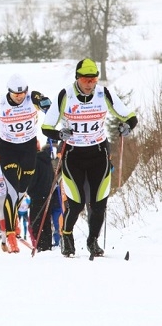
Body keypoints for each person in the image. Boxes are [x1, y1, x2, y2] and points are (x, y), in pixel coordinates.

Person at [41, 58, 138, 257]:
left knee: (99, 203)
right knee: (76, 204)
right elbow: (46, 127)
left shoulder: (104, 94)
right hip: (73, 155)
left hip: (98, 153)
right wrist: (60, 134)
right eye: (86, 79)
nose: (90, 83)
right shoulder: (66, 95)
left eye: (93, 79)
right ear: (77, 78)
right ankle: (66, 236)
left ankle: (92, 240)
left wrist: (127, 126)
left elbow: (130, 117)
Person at [0, 74, 51, 253]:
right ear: (9, 92)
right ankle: (11, 234)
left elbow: (46, 104)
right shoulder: (0, 103)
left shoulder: (32, 97)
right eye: (16, 94)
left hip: (29, 149)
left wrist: (47, 105)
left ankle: (12, 228)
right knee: (12, 190)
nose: (20, 97)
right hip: (8, 149)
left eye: (22, 93)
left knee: (22, 191)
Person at [27, 144, 58, 252]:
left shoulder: (34, 161)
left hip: (37, 195)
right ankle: (47, 244)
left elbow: (32, 179)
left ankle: (42, 245)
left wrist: (29, 190)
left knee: (36, 223)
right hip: (48, 195)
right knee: (46, 221)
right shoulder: (47, 161)